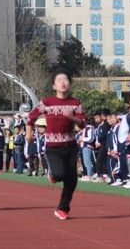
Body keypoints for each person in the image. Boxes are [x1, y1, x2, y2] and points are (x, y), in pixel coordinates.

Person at [26, 69, 86, 220]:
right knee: (60, 174)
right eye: (59, 80)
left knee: (72, 180)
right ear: (54, 86)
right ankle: (52, 173)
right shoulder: (47, 102)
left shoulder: (75, 102)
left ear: (70, 84)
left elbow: (82, 123)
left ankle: (62, 208)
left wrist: (73, 118)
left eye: (65, 79)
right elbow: (31, 117)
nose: (63, 82)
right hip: (53, 146)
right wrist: (29, 134)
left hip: (71, 145)